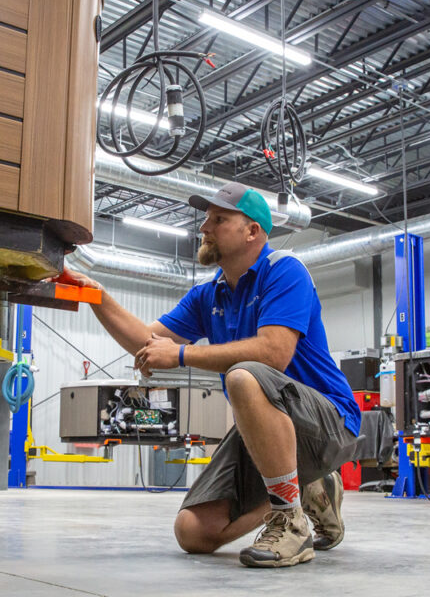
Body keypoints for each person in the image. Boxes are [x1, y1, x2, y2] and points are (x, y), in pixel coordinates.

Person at [61, 181, 361, 568]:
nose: (204, 228)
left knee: (244, 377)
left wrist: (183, 355)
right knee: (193, 532)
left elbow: (274, 352)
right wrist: (97, 297)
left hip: (330, 424)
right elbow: (147, 341)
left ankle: (291, 521)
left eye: (218, 220)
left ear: (252, 231)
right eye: (206, 219)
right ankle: (303, 488)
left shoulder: (284, 271)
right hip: (270, 428)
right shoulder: (209, 294)